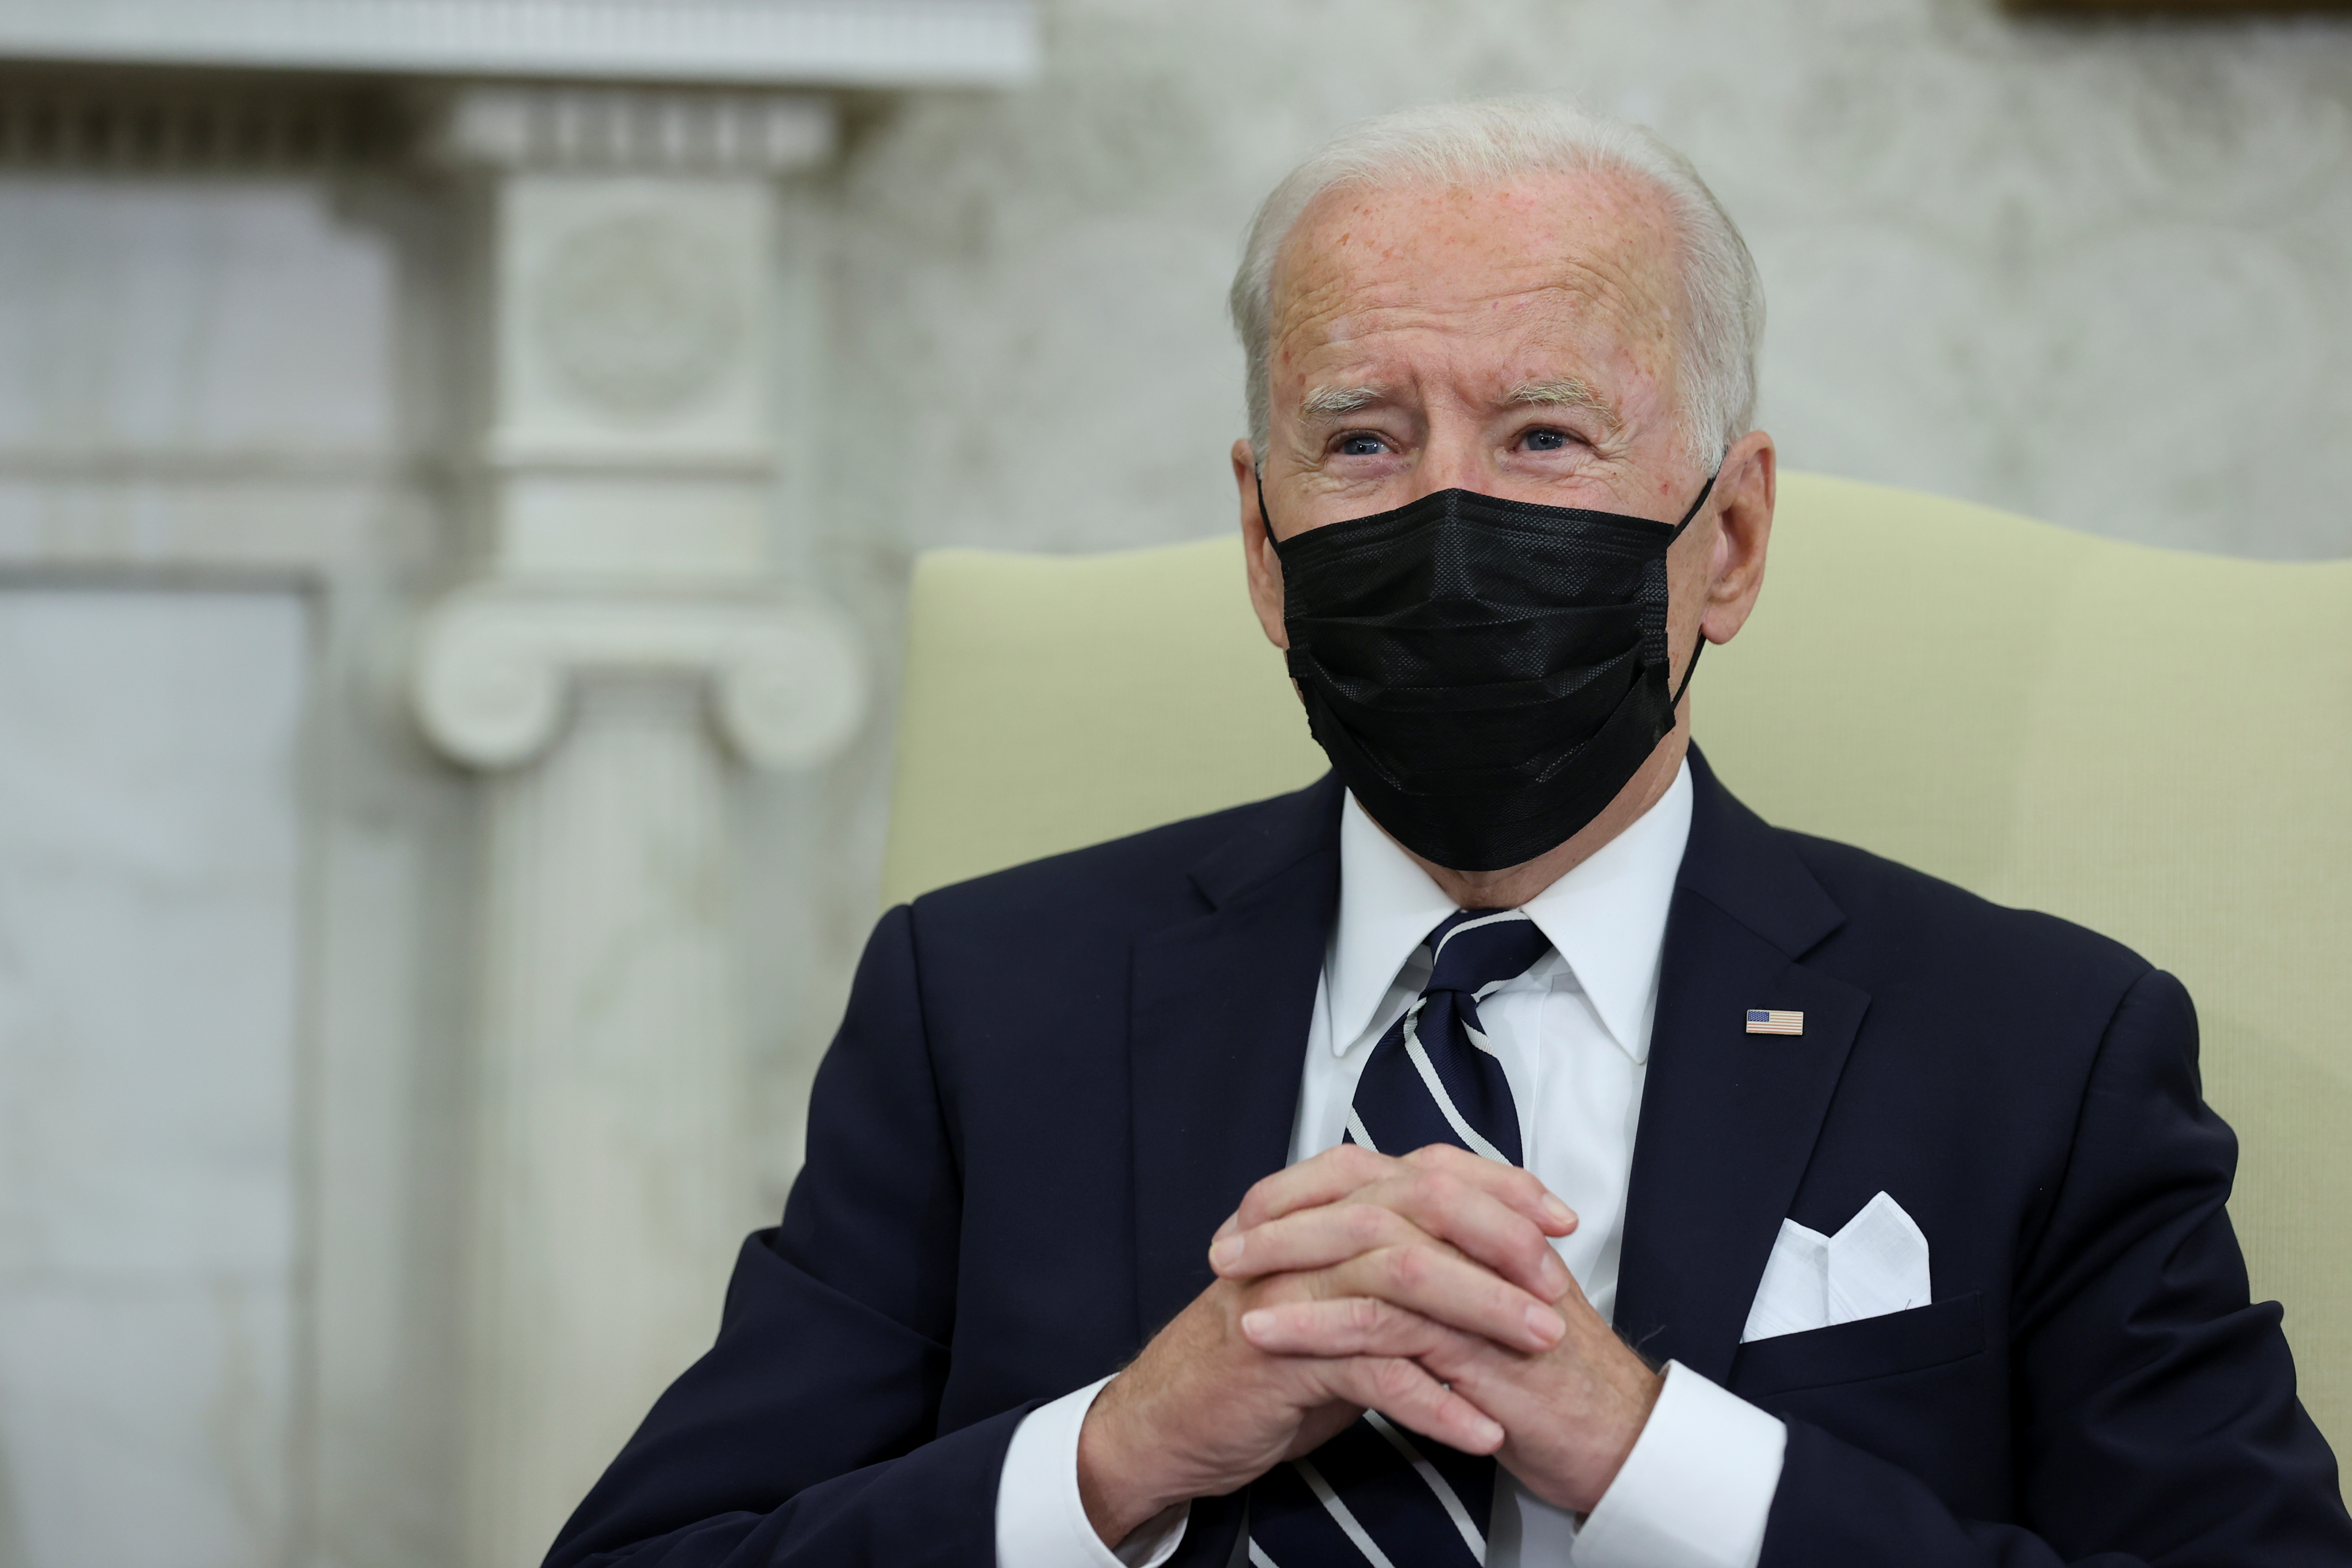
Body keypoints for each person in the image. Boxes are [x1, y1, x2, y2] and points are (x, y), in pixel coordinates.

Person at [545, 99, 2352, 1568]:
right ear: (1260, 545)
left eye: (1551, 435)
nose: (1453, 516)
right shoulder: (984, 999)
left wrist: (1642, 1452)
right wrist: (1117, 1451)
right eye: (1363, 441)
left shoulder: (2037, 1047)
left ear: (1728, 540)